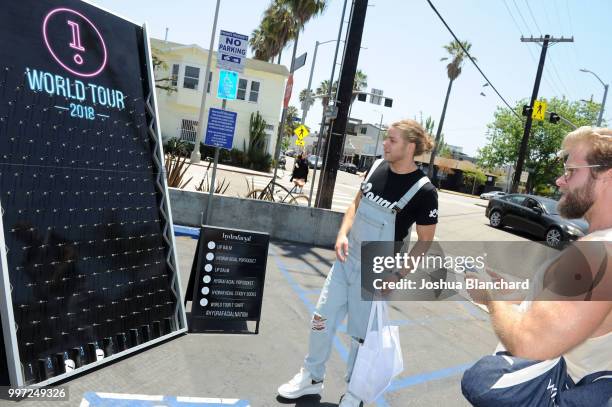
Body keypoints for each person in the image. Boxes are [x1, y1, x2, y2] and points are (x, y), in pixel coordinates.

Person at [277, 120, 438, 406]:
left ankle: (355, 393)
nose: (385, 144)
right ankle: (311, 378)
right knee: (321, 317)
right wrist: (342, 234)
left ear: (410, 147)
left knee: (361, 337)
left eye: (392, 140)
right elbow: (355, 204)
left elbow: (425, 240)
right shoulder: (376, 168)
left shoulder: (424, 191)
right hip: (346, 259)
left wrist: (399, 274)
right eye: (386, 139)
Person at [462, 126, 612, 406]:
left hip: (547, 392)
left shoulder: (598, 252)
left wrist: (491, 298)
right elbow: (580, 318)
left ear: (607, 176)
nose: (559, 181)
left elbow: (529, 343)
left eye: (570, 172)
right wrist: (516, 295)